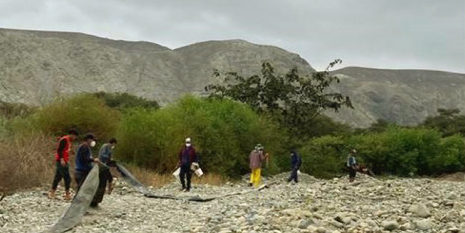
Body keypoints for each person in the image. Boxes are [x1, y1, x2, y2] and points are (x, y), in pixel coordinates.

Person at [48, 130, 79, 200]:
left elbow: (66, 149)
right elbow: (59, 150)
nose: (75, 138)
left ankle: (52, 192)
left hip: (65, 161)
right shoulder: (64, 140)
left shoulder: (69, 141)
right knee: (67, 178)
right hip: (61, 161)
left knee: (58, 177)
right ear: (72, 134)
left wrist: (71, 152)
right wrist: (62, 159)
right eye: (74, 136)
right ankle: (67, 195)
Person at [92, 138, 118, 206]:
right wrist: (109, 158)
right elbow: (102, 155)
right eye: (114, 144)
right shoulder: (105, 146)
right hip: (102, 166)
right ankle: (96, 199)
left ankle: (109, 190)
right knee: (103, 182)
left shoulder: (109, 148)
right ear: (112, 143)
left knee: (110, 178)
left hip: (105, 167)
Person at [74, 133, 99, 199]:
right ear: (88, 139)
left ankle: (79, 203)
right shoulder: (84, 147)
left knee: (81, 188)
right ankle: (77, 204)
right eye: (92, 140)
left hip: (81, 171)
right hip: (81, 171)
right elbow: (85, 159)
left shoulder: (85, 147)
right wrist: (94, 160)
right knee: (81, 188)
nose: (93, 142)